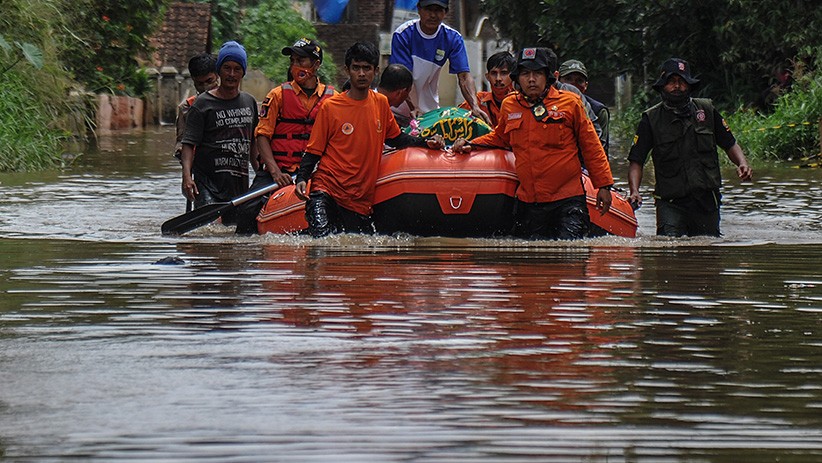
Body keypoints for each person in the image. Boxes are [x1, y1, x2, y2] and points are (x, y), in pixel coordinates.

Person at [453, 47, 614, 241]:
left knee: (571, 260)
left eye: (537, 73)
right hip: (529, 202)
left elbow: (591, 146)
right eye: (525, 74)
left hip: (567, 201)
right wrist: (471, 144)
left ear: (548, 77)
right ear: (517, 78)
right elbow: (499, 138)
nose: (531, 79)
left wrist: (604, 186)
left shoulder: (571, 103)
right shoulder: (510, 105)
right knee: (528, 265)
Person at [294, 42, 445, 238]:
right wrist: (302, 177)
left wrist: (426, 143)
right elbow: (314, 149)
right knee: (321, 246)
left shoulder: (381, 104)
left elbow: (397, 139)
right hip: (327, 190)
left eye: (367, 68)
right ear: (347, 70)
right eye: (356, 68)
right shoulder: (330, 107)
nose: (362, 74)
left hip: (358, 201)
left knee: (357, 254)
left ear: (376, 71)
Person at [627, 58, 753, 237]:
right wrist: (635, 191)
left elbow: (729, 143)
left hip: (706, 200)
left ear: (689, 85)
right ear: (663, 85)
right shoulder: (651, 119)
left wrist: (742, 163)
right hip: (670, 202)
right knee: (668, 253)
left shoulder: (707, 111)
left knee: (708, 252)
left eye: (681, 82)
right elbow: (636, 160)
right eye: (671, 82)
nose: (677, 87)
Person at [234, 38, 336, 234]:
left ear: (316, 64)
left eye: (301, 61)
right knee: (247, 210)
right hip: (279, 171)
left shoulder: (333, 99)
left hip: (316, 172)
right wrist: (275, 173)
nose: (295, 66)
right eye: (293, 61)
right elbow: (262, 136)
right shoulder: (277, 96)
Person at [180, 41, 258, 225]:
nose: (231, 74)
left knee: (231, 232)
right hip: (207, 185)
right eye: (227, 68)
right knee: (210, 231)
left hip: (238, 185)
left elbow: (254, 143)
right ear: (219, 71)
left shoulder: (250, 102)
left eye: (237, 69)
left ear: (243, 72)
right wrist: (186, 178)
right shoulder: (202, 104)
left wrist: (262, 174)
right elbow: (188, 144)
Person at [389, 0, 490, 125]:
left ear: (445, 12)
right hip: (397, 110)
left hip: (428, 114)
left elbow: (464, 76)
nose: (433, 15)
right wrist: (414, 107)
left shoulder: (453, 38)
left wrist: (474, 106)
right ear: (419, 9)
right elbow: (403, 78)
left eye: (438, 10)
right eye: (428, 9)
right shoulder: (403, 34)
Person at [558, 59, 610, 155]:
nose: (573, 85)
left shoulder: (598, 111)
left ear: (585, 86)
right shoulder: (547, 106)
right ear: (558, 81)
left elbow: (601, 149)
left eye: (579, 81)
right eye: (568, 79)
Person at [174, 53, 219, 160]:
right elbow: (181, 141)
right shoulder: (186, 108)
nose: (205, 87)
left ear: (217, 76)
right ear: (193, 81)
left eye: (209, 81)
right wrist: (180, 150)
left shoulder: (231, 101)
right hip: (199, 165)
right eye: (200, 83)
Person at [459, 51, 516, 128]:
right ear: (487, 76)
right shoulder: (477, 101)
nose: (498, 78)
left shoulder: (521, 102)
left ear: (513, 76)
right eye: (494, 73)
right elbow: (455, 118)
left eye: (503, 73)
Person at [377, 63, 414, 128]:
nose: (407, 98)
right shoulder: (377, 110)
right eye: (407, 93)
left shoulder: (384, 107)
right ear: (400, 93)